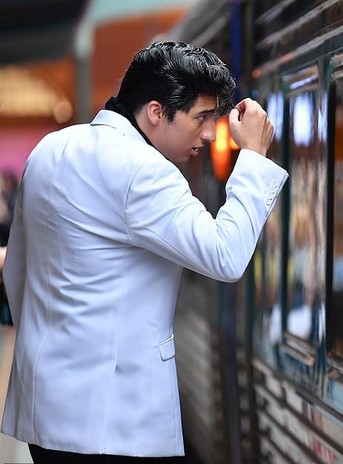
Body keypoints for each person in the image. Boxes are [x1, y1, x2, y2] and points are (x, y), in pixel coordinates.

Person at [1, 41, 288, 463]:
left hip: (43, 410)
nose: (210, 134)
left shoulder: (50, 149)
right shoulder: (144, 171)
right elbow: (225, 254)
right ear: (156, 112)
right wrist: (254, 158)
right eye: (201, 117)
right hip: (115, 422)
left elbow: (19, 270)